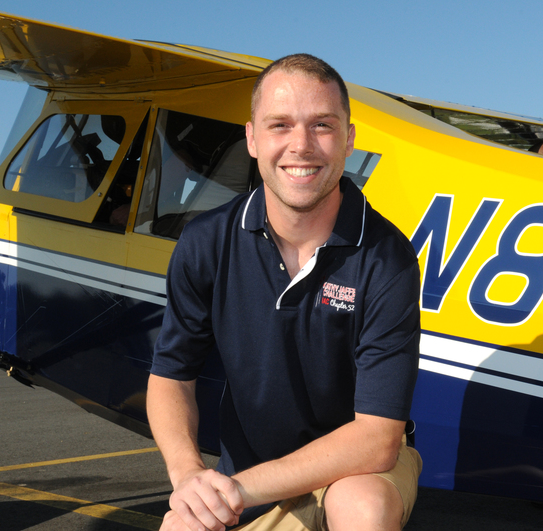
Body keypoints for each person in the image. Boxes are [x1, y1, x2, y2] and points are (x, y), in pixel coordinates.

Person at [146, 53, 422, 531]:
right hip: (249, 476)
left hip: (353, 467)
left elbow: (377, 439)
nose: (301, 145)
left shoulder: (388, 257)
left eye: (322, 125)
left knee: (362, 505)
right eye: (280, 125)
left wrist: (234, 490)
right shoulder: (206, 241)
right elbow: (171, 375)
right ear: (252, 139)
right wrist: (190, 477)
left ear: (349, 139)